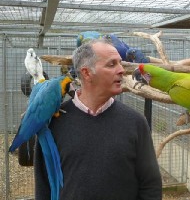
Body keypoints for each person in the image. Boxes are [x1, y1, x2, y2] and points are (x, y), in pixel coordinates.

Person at [34, 39, 162, 200]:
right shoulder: (53, 123)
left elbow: (151, 185)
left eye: (120, 63)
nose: (122, 70)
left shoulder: (135, 122)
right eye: (111, 64)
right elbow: (43, 184)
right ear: (87, 73)